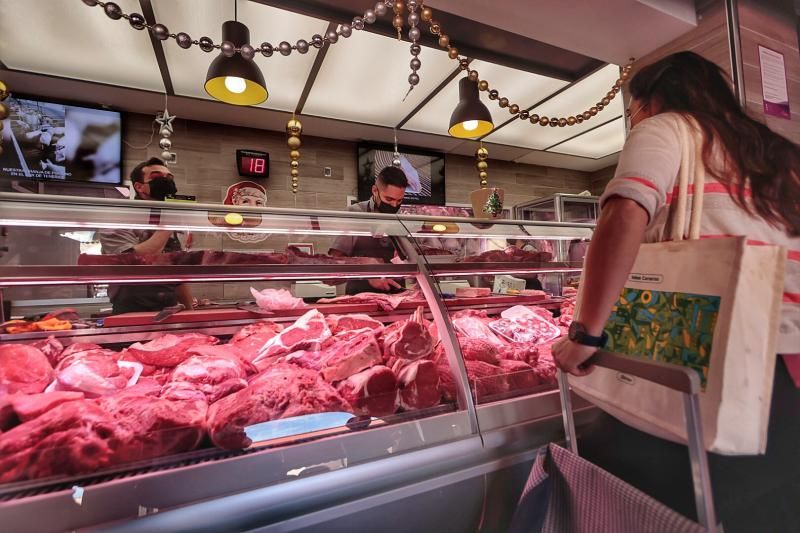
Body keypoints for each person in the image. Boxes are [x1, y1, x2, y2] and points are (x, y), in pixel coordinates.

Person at [552, 51, 800, 532]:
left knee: (690, 506)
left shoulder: (667, 128)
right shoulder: (780, 154)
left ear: (652, 98)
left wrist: (586, 333)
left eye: (632, 110)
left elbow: (625, 214)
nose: (633, 120)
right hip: (792, 366)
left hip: (711, 357)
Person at [98, 157, 194, 314]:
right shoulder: (117, 217)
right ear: (139, 187)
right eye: (157, 177)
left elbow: (177, 273)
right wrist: (170, 221)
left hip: (169, 309)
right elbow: (136, 262)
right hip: (131, 310)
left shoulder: (170, 220)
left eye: (169, 178)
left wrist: (191, 312)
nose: (166, 181)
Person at [330, 166, 409, 294]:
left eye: (399, 200)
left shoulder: (403, 218)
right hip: (360, 297)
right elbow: (335, 261)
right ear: (375, 190)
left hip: (397, 295)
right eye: (389, 199)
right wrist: (367, 270)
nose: (394, 205)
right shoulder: (355, 214)